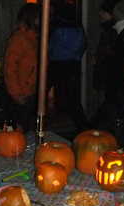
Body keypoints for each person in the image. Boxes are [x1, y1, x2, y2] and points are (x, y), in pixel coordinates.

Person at [48, 2, 90, 132]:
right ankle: (82, 127)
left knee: (48, 93)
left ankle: (81, 127)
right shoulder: (77, 26)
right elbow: (83, 45)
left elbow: (51, 46)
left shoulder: (56, 26)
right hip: (72, 64)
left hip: (58, 64)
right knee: (72, 97)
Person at [4, 3, 40, 132]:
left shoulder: (34, 38)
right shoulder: (19, 39)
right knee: (19, 129)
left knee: (28, 126)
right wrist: (16, 94)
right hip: (20, 93)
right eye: (38, 17)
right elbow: (10, 68)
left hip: (30, 91)